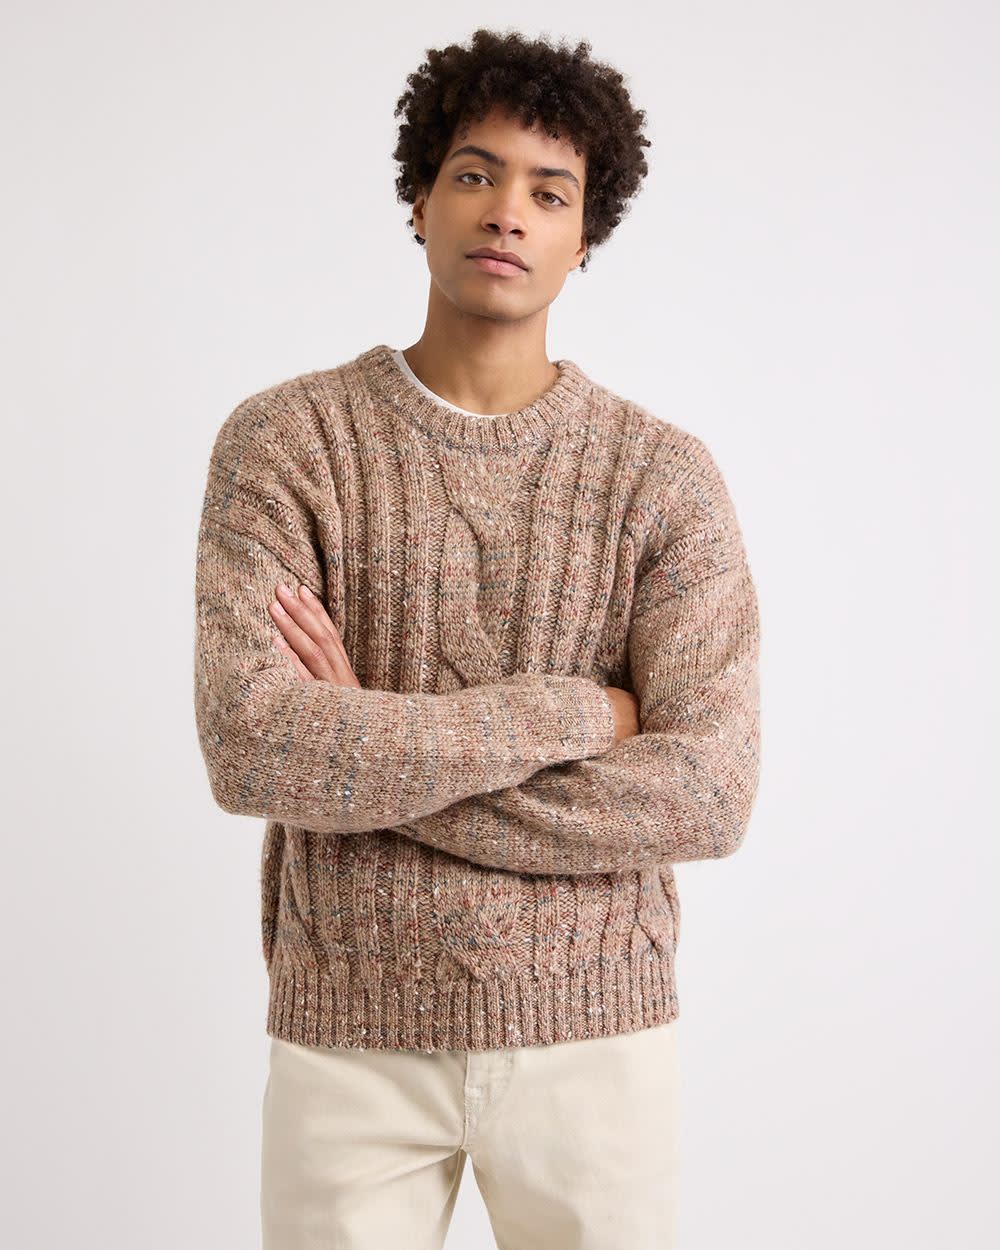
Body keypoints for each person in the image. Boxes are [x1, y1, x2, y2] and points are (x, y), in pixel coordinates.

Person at [192, 26, 761, 1250]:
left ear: (585, 235)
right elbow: (251, 747)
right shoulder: (284, 444)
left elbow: (709, 791)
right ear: (418, 200)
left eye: (549, 192)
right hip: (349, 1032)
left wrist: (368, 752)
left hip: (595, 1035)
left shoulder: (662, 477)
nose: (507, 210)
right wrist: (581, 711)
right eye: (474, 173)